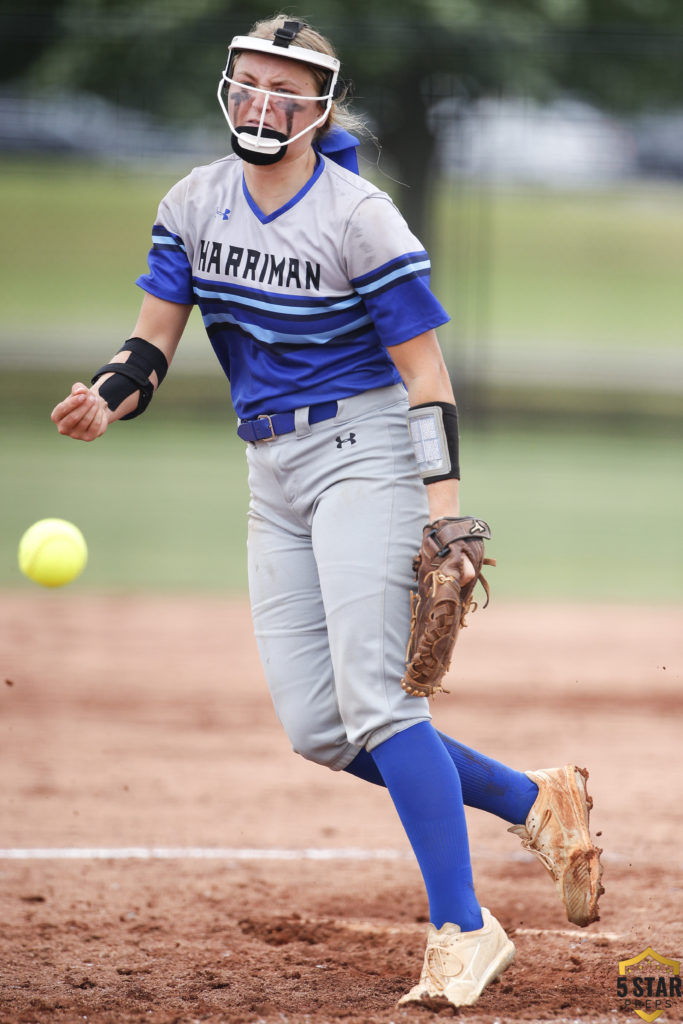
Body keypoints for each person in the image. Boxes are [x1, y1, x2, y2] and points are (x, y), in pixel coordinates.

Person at [51, 14, 604, 1009]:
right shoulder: (192, 203)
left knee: (382, 700)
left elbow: (424, 372)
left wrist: (445, 513)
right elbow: (147, 349)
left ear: (319, 109)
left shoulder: (358, 216)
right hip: (270, 465)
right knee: (318, 723)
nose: (264, 104)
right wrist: (104, 395)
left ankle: (461, 929)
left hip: (365, 451)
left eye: (286, 92)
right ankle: (534, 800)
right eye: (250, 84)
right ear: (229, 90)